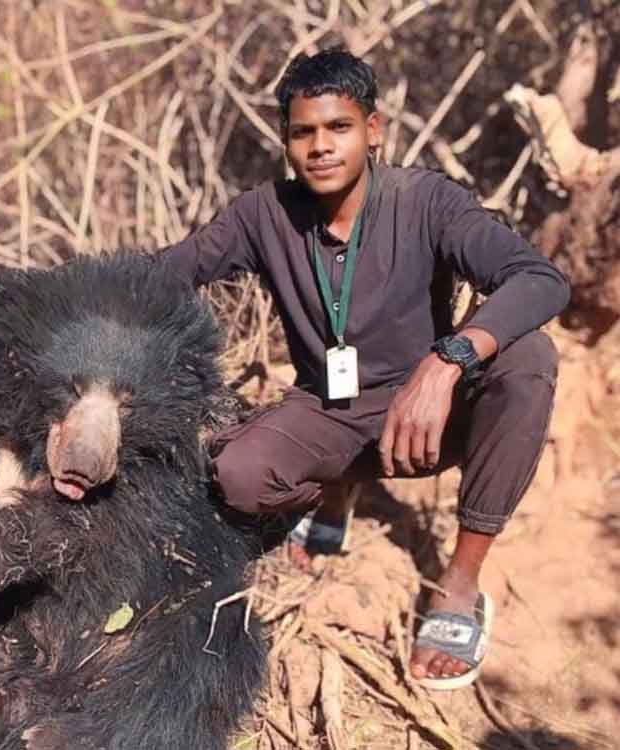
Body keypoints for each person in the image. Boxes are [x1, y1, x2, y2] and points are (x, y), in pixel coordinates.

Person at [160, 49, 569, 690]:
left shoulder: (426, 200)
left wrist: (447, 361)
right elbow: (166, 273)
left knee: (529, 358)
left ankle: (460, 585)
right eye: (303, 132)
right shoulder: (263, 213)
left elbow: (539, 280)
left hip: (429, 415)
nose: (320, 147)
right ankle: (335, 490)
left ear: (373, 130)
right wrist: (51, 300)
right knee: (239, 473)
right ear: (287, 140)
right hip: (329, 410)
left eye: (338, 127)